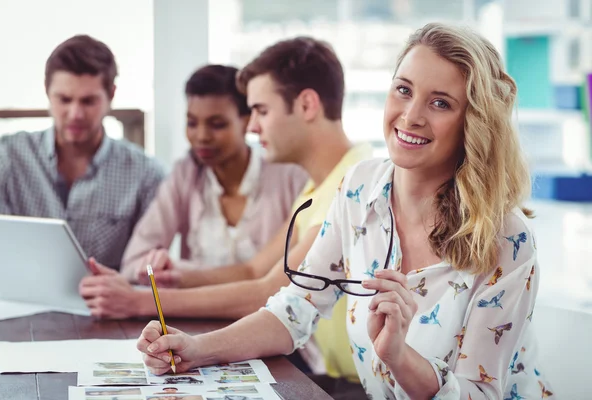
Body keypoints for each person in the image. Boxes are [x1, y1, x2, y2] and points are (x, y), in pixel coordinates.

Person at [136, 23, 555, 400]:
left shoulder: (507, 240)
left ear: (474, 122)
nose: (410, 116)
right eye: (404, 90)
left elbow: (480, 395)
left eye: (440, 103)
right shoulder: (358, 188)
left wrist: (398, 356)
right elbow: (294, 310)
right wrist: (196, 349)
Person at [78, 37, 371, 394]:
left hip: (351, 386)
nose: (252, 127)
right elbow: (254, 271)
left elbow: (267, 290)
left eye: (261, 111)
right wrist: (175, 280)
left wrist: (138, 301)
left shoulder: (352, 183)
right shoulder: (320, 186)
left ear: (307, 105)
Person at [114, 64, 306, 284]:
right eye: (192, 123)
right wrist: (157, 267)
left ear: (247, 121)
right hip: (197, 316)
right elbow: (133, 263)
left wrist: (183, 273)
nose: (202, 136)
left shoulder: (290, 177)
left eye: (217, 124)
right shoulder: (185, 176)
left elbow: (293, 275)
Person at [0, 35, 164, 269]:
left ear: (111, 95)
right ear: (47, 92)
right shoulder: (5, 159)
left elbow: (146, 269)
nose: (75, 114)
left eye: (88, 101)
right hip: (17, 303)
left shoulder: (145, 174)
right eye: (64, 99)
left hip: (107, 304)